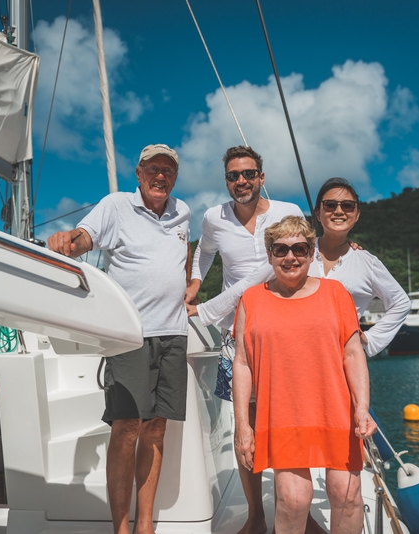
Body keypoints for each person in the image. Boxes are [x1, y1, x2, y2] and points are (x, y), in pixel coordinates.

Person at [47, 143, 190, 534]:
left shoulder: (183, 213)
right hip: (131, 334)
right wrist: (67, 241)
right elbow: (84, 238)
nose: (161, 176)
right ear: (139, 173)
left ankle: (146, 525)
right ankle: (121, 528)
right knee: (126, 428)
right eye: (153, 169)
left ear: (174, 177)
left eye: (168, 170)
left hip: (174, 333)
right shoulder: (116, 205)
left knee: (157, 427)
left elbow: (182, 257)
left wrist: (189, 289)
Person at [183, 145, 303, 534]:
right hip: (239, 334)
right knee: (245, 424)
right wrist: (195, 284)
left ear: (261, 177)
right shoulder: (214, 218)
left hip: (287, 329)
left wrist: (208, 307)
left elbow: (308, 259)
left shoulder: (288, 213)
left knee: (291, 419)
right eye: (233, 176)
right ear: (226, 181)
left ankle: (297, 507)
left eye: (249, 174)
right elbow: (204, 251)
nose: (241, 181)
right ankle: (256, 514)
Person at [233, 216, 377, 534]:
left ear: (311, 253)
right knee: (293, 500)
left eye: (299, 248)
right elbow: (242, 364)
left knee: (348, 495)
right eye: (280, 249)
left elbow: (353, 354)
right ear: (269, 254)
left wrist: (362, 408)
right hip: (282, 414)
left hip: (336, 411)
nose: (290, 257)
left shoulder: (336, 293)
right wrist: (243, 425)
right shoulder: (251, 300)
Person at [309, 178, 410, 357]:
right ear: (318, 213)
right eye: (330, 205)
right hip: (291, 355)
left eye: (347, 206)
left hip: (342, 360)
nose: (338, 211)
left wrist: (370, 340)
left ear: (356, 215)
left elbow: (401, 303)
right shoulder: (297, 251)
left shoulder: (367, 262)